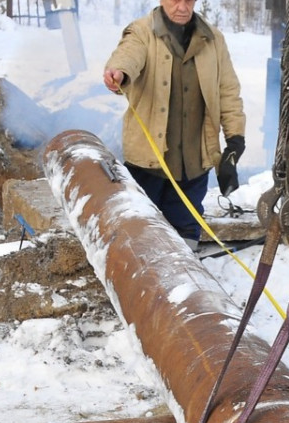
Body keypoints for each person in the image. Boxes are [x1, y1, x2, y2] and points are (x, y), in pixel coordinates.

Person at [102, 0, 246, 251]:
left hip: (194, 164)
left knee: (186, 234)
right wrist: (119, 73)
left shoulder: (213, 40)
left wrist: (235, 140)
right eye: (175, 0)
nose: (182, 7)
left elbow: (228, 92)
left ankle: (184, 281)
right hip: (148, 164)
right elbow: (128, 56)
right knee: (140, 235)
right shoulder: (141, 32)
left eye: (188, 0)